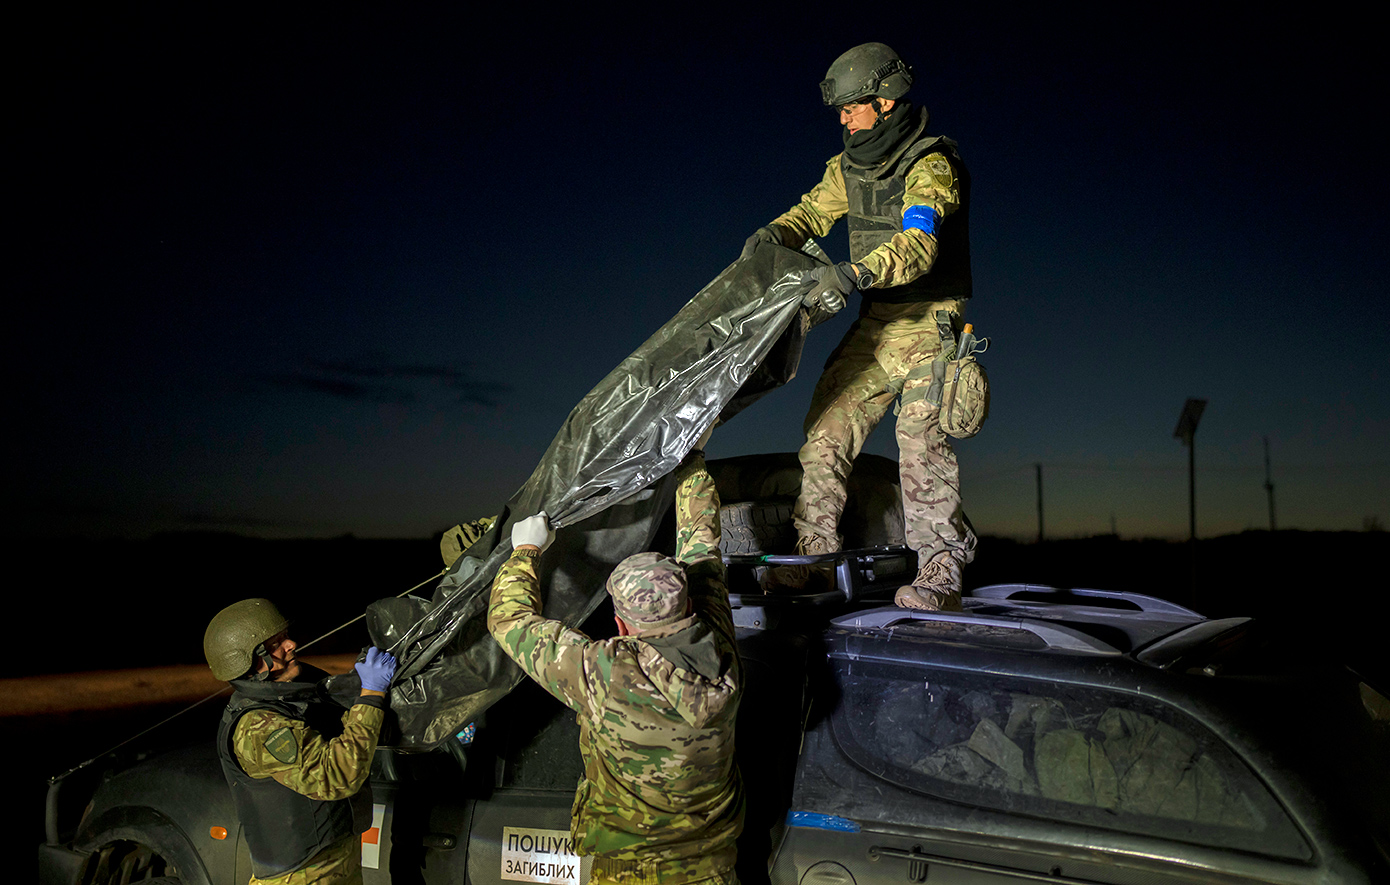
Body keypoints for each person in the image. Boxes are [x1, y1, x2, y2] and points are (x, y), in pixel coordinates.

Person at [744, 42, 977, 611]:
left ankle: (941, 569)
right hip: (878, 325)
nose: (844, 118)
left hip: (929, 323)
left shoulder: (930, 165)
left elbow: (918, 246)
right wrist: (774, 237)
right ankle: (815, 558)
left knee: (921, 447)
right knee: (825, 432)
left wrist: (854, 272)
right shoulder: (849, 166)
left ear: (886, 101)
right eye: (842, 110)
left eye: (853, 107)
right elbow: (811, 211)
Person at [487, 431, 743, 885]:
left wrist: (526, 550)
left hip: (629, 871)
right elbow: (702, 550)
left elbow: (508, 621)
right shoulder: (719, 649)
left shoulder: (606, 674)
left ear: (622, 624)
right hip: (712, 866)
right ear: (686, 605)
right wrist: (693, 457)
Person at [204, 598, 396, 885]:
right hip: (301, 876)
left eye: (285, 638)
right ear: (250, 662)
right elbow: (337, 776)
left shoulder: (294, 697)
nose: (291, 645)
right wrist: (371, 696)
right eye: (275, 645)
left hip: (334, 864)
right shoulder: (258, 727)